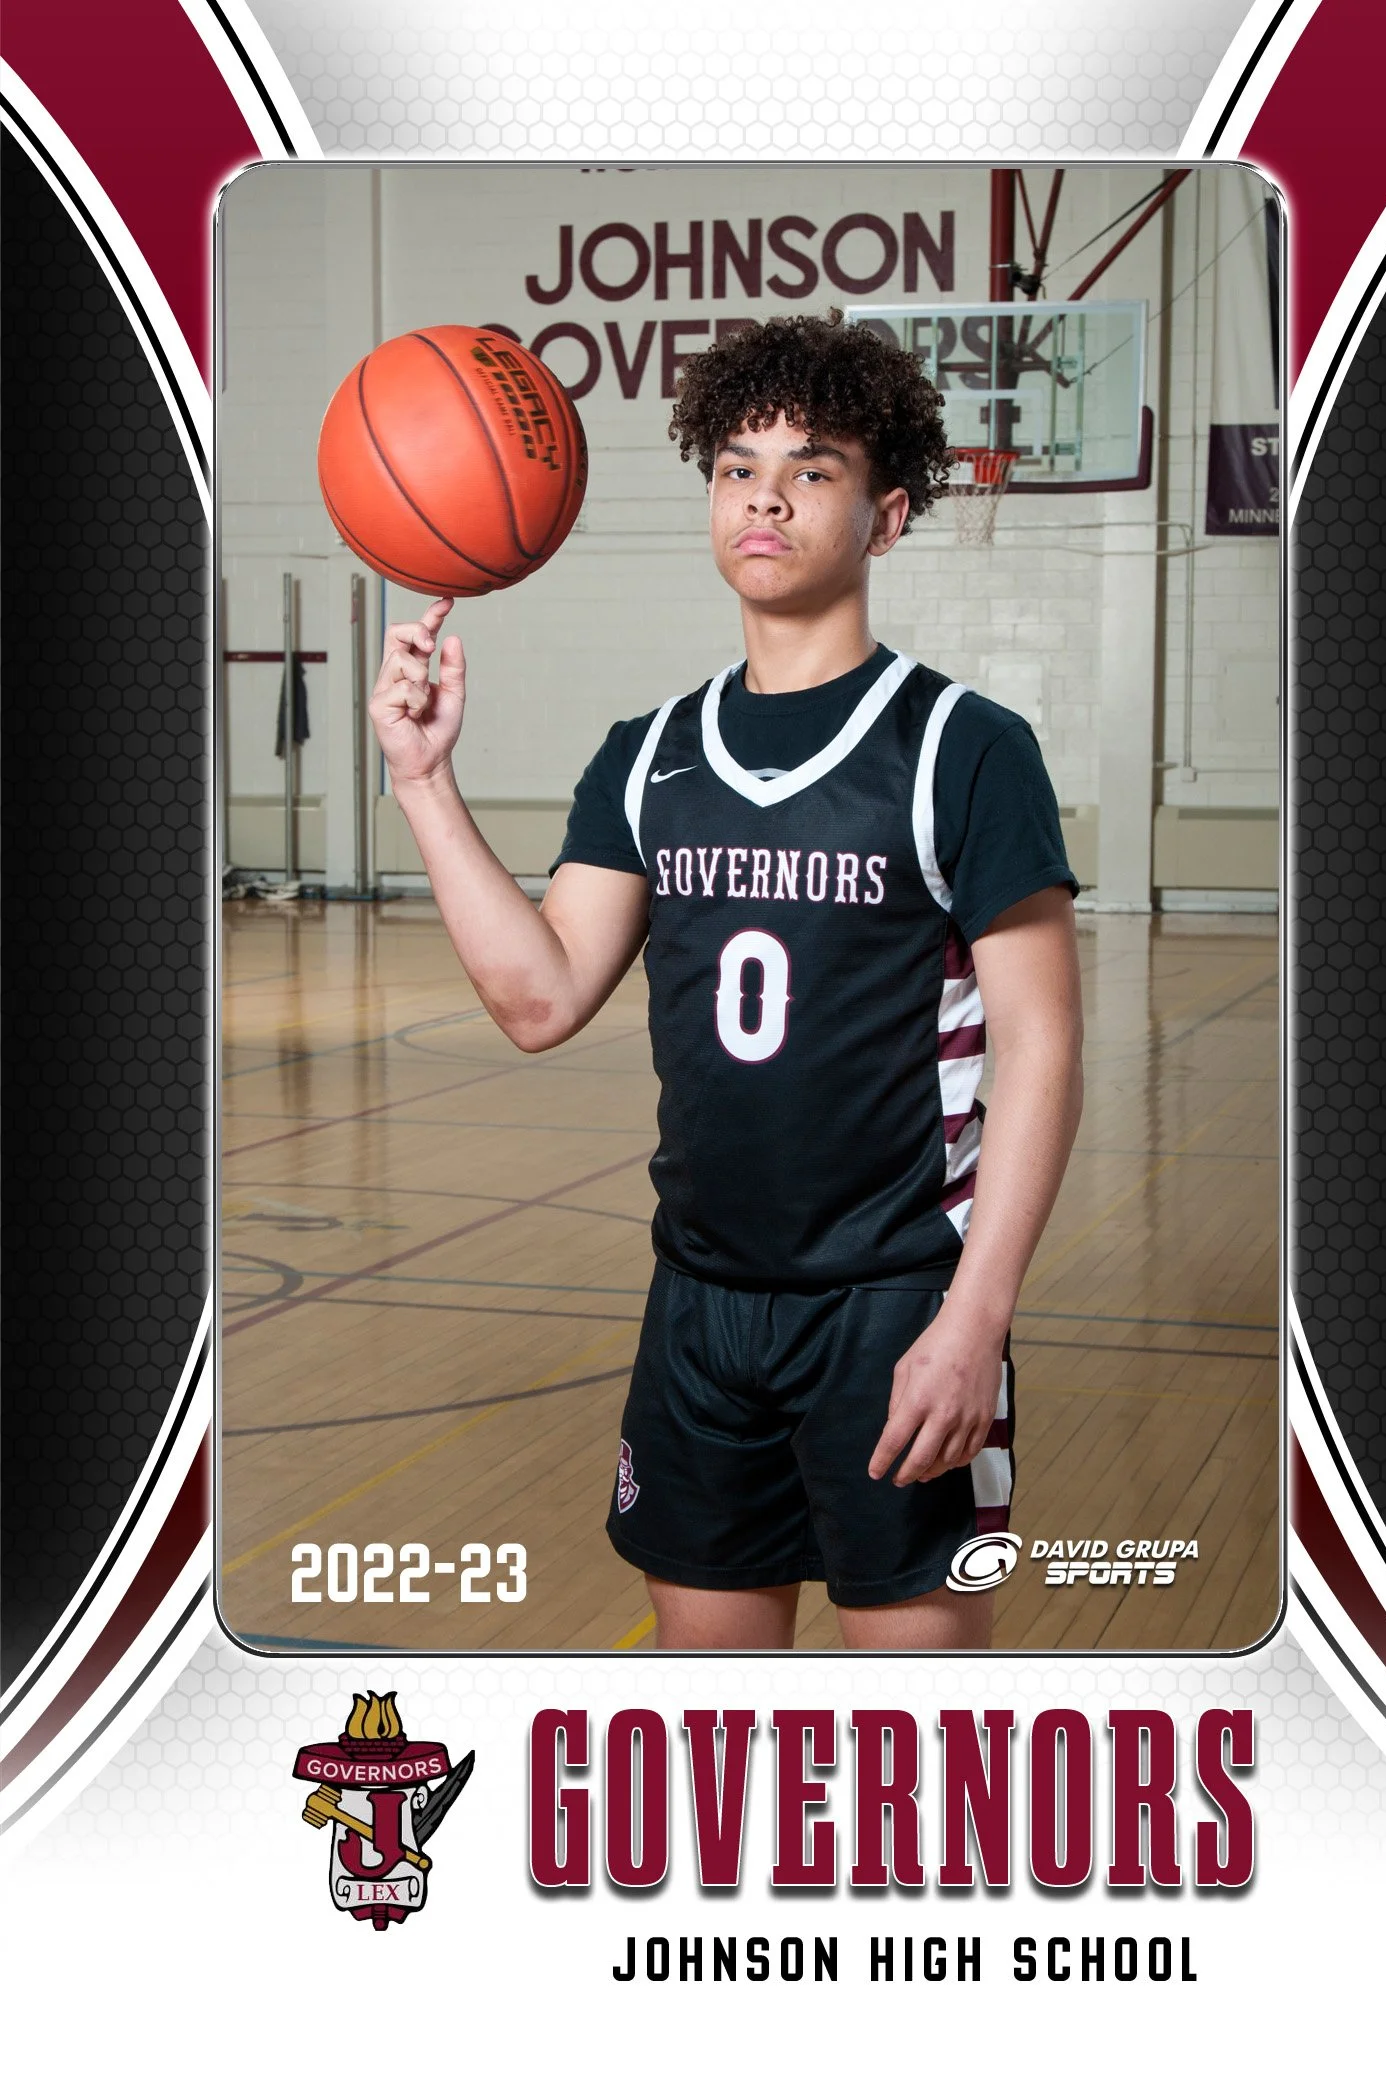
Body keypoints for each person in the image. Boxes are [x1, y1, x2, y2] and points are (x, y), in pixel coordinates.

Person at [367, 312, 1084, 1652]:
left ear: (888, 517)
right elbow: (539, 1001)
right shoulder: (646, 755)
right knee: (714, 1718)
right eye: (737, 466)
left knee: (915, 1744)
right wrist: (422, 781)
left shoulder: (966, 750)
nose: (765, 494)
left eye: (812, 469)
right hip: (696, 1304)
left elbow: (1042, 1052)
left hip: (897, 1305)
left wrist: (975, 1321)